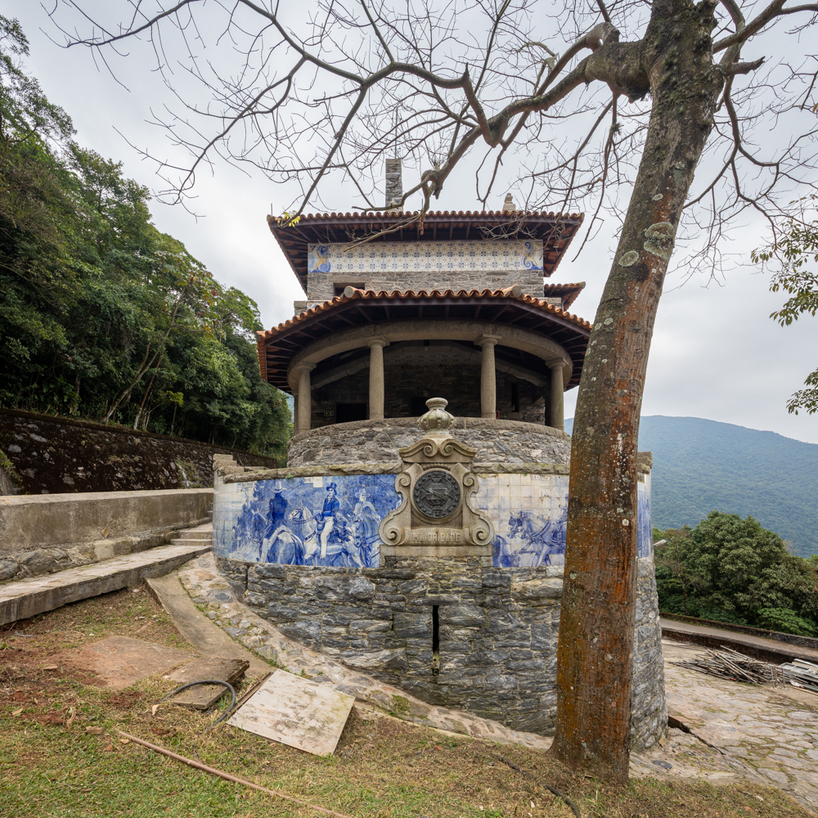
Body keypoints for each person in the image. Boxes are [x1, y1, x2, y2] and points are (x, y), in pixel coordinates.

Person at [318, 483, 339, 558]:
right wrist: (320, 515)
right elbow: (323, 510)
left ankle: (323, 554)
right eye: (329, 490)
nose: (329, 492)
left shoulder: (336, 501)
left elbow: (333, 512)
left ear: (334, 492)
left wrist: (323, 512)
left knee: (323, 535)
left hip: (330, 520)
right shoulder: (326, 500)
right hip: (324, 519)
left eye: (331, 490)